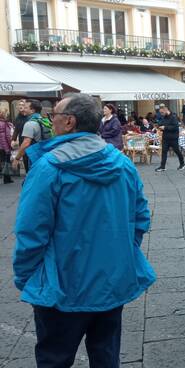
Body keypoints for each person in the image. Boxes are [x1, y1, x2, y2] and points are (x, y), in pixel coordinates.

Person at [12, 93, 155, 367]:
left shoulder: (49, 167)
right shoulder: (123, 163)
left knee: (55, 358)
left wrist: (26, 277)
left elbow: (31, 232)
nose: (50, 120)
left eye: (54, 115)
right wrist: (121, 255)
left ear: (69, 122)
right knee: (106, 357)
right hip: (111, 282)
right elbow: (140, 218)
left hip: (61, 286)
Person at [13, 100, 52, 173]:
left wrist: (17, 158)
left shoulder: (30, 123)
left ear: (32, 110)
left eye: (26, 107)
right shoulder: (45, 121)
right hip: (46, 154)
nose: (23, 109)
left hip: (34, 156)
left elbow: (26, 143)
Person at [155, 104, 185, 172]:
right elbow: (161, 123)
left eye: (162, 112)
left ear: (166, 110)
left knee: (177, 151)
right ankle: (162, 166)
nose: (161, 114)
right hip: (166, 137)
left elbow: (175, 127)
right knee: (164, 152)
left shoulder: (173, 117)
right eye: (160, 113)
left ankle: (182, 163)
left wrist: (165, 127)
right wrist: (158, 126)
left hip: (173, 138)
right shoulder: (164, 117)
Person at [0, 108, 14, 184]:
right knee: (6, 163)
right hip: (4, 147)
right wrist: (9, 147)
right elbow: (7, 137)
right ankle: (7, 179)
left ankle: (7, 178)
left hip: (1, 147)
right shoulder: (5, 124)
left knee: (3, 162)